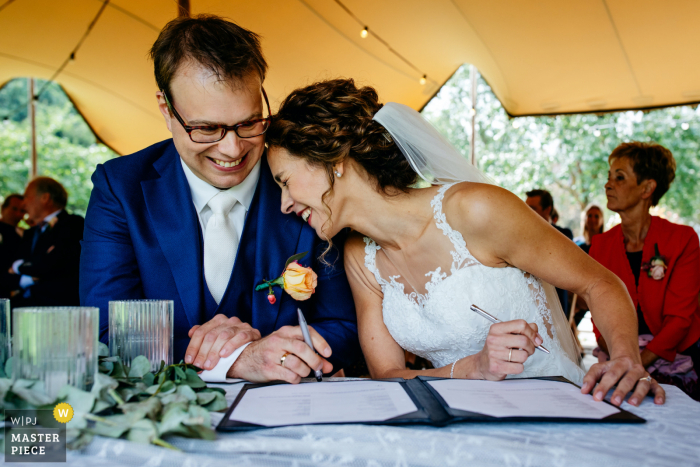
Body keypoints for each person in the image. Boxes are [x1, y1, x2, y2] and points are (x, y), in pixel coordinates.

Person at [265, 78, 665, 406]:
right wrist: (471, 369)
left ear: (333, 160)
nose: (283, 204)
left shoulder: (474, 210)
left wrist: (627, 360)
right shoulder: (359, 257)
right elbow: (387, 375)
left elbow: (600, 283)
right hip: (457, 427)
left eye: (284, 181)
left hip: (557, 408)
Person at [79, 15, 359, 384]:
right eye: (207, 128)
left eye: (249, 123)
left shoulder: (308, 183)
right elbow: (105, 337)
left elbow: (348, 325)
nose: (232, 149)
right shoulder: (120, 189)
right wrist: (237, 360)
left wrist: (281, 353)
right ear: (166, 110)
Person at [589, 142, 700, 398]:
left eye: (619, 177)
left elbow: (680, 320)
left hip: (676, 359)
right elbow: (598, 315)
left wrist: (636, 364)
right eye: (609, 177)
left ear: (647, 188)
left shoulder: (682, 240)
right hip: (619, 355)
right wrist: (622, 359)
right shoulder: (600, 245)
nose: (608, 185)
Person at [4, 178, 84, 307]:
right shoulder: (30, 233)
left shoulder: (72, 224)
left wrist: (18, 267)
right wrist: (27, 275)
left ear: (45, 198)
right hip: (23, 306)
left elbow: (53, 263)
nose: (23, 204)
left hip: (56, 309)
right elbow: (7, 274)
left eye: (26, 197)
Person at [525, 189, 572, 312]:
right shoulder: (523, 236)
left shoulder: (564, 235)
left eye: (532, 208)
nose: (526, 211)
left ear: (547, 210)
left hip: (556, 301)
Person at [0, 194, 25, 273]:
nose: (18, 214)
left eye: (22, 211)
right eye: (14, 209)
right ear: (3, 208)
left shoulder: (23, 234)